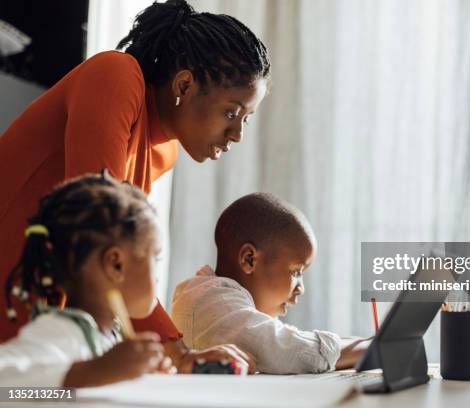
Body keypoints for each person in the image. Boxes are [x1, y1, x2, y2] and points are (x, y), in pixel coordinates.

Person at [0, 0, 269, 371]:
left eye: (246, 119)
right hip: (14, 306)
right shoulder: (115, 75)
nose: (237, 134)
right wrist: (178, 352)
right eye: (231, 112)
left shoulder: (163, 153)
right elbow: (105, 238)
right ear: (185, 83)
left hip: (50, 329)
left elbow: (118, 262)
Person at [0, 172, 179, 386]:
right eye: (155, 257)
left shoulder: (110, 338)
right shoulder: (60, 332)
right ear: (116, 264)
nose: (157, 276)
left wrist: (145, 379)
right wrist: (87, 374)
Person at [171, 193, 369, 374]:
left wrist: (366, 343)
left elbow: (291, 338)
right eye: (296, 272)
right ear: (249, 259)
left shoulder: (226, 302)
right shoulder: (211, 301)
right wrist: (372, 349)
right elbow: (286, 349)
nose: (301, 288)